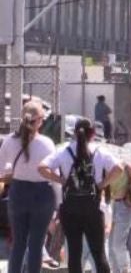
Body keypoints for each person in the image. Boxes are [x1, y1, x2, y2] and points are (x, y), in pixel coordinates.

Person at [39, 118, 122, 273]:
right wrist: (102, 184)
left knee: (74, 253)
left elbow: (42, 167)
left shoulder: (63, 151)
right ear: (93, 134)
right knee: (99, 253)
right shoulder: (99, 151)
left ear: (75, 133)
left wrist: (61, 180)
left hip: (70, 208)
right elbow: (119, 168)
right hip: (93, 208)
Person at [0, 101, 56, 273]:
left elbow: (1, 170)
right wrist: (59, 202)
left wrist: (14, 172)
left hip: (18, 192)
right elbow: (53, 174)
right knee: (36, 244)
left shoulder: (9, 141)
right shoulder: (46, 143)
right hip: (42, 194)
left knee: (18, 244)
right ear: (38, 120)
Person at [107, 160, 131, 273]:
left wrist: (129, 193)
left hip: (123, 205)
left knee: (118, 244)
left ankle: (124, 269)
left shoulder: (126, 165)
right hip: (110, 205)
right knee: (111, 245)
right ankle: (116, 270)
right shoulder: (106, 164)